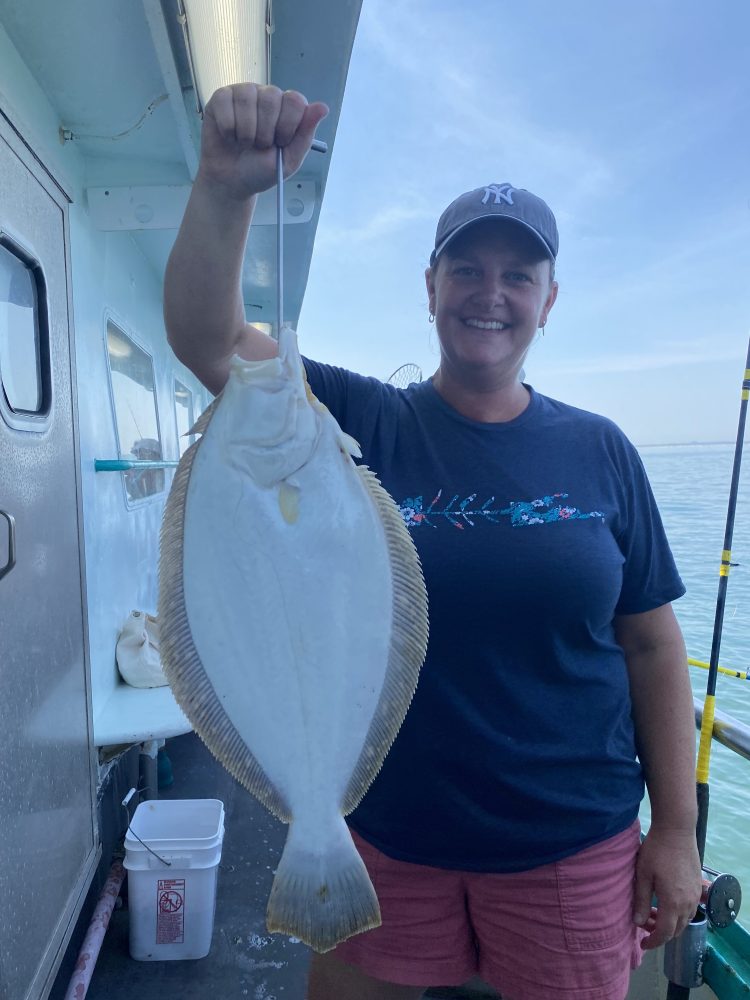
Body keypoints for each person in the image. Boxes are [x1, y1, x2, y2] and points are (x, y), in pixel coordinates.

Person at [164, 84, 703, 1000]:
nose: (490, 294)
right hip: (383, 832)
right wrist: (225, 187)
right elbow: (209, 340)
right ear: (429, 288)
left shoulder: (601, 448)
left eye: (517, 275)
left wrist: (678, 831)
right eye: (466, 270)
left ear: (550, 300)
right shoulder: (353, 417)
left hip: (570, 842)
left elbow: (651, 642)